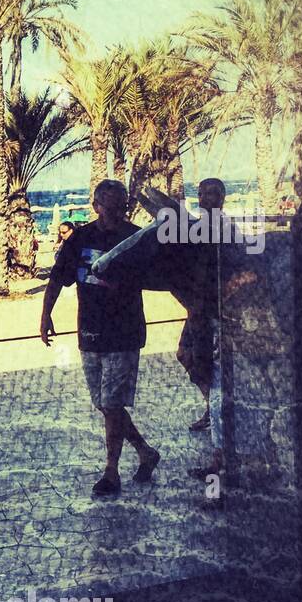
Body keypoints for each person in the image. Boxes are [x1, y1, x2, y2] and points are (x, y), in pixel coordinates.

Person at [40, 179, 161, 496]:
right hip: (90, 331)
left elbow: (154, 276)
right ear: (95, 206)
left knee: (111, 402)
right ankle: (145, 451)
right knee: (106, 406)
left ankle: (111, 472)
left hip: (124, 332)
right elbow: (57, 278)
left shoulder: (136, 238)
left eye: (122, 205)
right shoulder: (81, 238)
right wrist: (45, 315)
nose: (117, 211)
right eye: (110, 205)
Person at [172, 179, 225, 433]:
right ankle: (211, 407)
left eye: (213, 194)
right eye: (203, 195)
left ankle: (217, 411)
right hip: (197, 309)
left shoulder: (224, 228)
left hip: (214, 311)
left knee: (209, 364)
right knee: (184, 354)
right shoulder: (196, 229)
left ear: (222, 197)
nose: (207, 199)